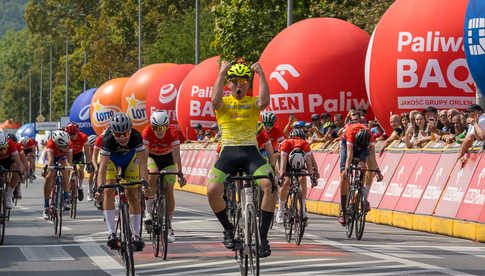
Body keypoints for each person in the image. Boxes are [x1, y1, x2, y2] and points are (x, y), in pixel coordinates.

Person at [208, 61, 275, 257]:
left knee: (269, 186)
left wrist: (261, 74)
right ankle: (228, 229)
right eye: (235, 82)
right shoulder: (223, 103)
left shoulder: (253, 102)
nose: (239, 86)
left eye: (243, 82)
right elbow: (214, 99)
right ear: (229, 84)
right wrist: (221, 72)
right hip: (228, 152)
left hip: (251, 153)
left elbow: (264, 102)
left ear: (248, 85)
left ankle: (262, 238)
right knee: (212, 191)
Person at [95, 112, 148, 251]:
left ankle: (136, 235)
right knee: (108, 190)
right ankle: (111, 233)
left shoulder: (136, 136)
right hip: (112, 161)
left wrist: (145, 181)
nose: (123, 137)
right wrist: (99, 188)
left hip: (130, 160)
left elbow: (143, 162)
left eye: (125, 133)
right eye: (118, 135)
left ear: (130, 130)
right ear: (113, 133)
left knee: (133, 194)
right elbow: (103, 168)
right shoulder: (107, 140)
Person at [142, 110, 186, 243]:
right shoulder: (147, 132)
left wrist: (179, 173)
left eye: (162, 128)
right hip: (152, 157)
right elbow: (143, 158)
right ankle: (148, 211)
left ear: (167, 126)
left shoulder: (173, 133)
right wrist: (143, 177)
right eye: (156, 128)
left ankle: (168, 225)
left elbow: (176, 156)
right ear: (152, 126)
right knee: (152, 174)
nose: (159, 131)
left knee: (168, 189)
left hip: (167, 160)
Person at [338, 113, 383, 225]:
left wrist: (377, 170)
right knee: (344, 176)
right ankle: (343, 211)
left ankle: (363, 197)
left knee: (367, 167)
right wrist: (346, 169)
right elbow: (349, 155)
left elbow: (372, 157)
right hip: (347, 144)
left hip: (363, 145)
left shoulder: (370, 136)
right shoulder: (350, 133)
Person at [275, 128, 318, 224]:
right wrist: (281, 176)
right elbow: (282, 166)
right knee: (286, 181)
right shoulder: (285, 144)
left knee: (302, 178)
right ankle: (280, 211)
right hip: (286, 161)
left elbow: (310, 162)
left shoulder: (304, 145)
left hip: (300, 160)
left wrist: (312, 176)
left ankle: (303, 209)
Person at [43, 130, 73, 218]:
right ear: (56, 143)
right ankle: (46, 206)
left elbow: (69, 162)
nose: (65, 148)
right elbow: (51, 161)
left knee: (65, 170)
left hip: (63, 158)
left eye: (66, 146)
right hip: (53, 158)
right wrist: (48, 169)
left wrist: (70, 169)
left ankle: (67, 196)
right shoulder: (50, 144)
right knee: (49, 176)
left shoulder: (69, 143)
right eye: (62, 146)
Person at [65, 123, 90, 201]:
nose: (72, 136)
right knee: (69, 170)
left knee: (80, 169)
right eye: (70, 134)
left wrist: (88, 162)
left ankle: (80, 187)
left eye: (73, 134)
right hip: (69, 154)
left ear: (77, 132)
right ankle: (68, 190)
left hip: (78, 154)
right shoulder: (65, 138)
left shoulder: (83, 137)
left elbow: (86, 151)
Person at [0, 132, 25, 209]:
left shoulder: (11, 143)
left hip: (8, 160)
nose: (3, 151)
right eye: (0, 149)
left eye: (5, 147)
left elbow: (18, 161)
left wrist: (21, 171)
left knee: (16, 168)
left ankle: (9, 196)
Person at [86, 134, 98, 201]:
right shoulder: (87, 147)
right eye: (90, 146)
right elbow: (89, 157)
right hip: (90, 159)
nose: (91, 147)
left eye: (92, 146)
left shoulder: (99, 145)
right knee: (91, 173)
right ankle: (89, 191)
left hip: (97, 157)